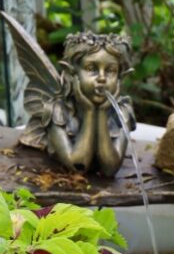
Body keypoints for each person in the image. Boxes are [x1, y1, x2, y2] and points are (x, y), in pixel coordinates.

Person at [45, 30, 135, 177]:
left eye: (111, 71)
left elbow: (110, 169)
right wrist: (89, 112)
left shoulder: (122, 111)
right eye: (91, 69)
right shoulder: (57, 110)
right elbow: (78, 166)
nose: (102, 78)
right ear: (71, 73)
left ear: (120, 78)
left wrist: (101, 112)